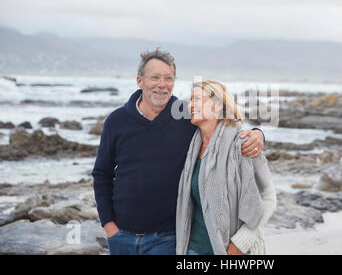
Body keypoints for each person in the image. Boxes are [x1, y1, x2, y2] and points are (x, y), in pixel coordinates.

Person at [92, 48, 266, 255]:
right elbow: (102, 173)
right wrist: (109, 225)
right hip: (121, 237)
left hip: (167, 238)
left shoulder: (186, 115)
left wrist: (257, 133)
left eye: (169, 78)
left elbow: (222, 127)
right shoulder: (117, 120)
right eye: (155, 77)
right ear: (140, 81)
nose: (162, 85)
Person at [176, 80, 276, 255]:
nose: (190, 105)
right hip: (192, 249)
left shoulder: (244, 144)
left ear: (217, 105)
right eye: (190, 100)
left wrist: (239, 244)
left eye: (197, 99)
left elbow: (269, 198)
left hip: (233, 251)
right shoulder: (191, 147)